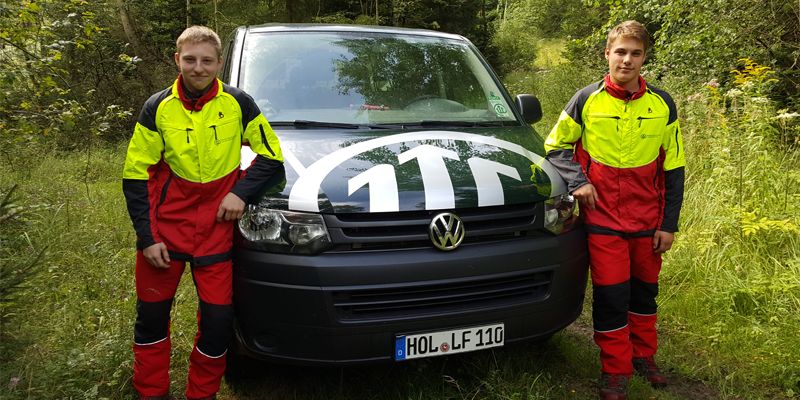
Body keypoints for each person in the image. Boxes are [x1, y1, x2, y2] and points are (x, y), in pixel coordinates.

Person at [122, 25, 284, 400]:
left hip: (216, 232)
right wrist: (147, 237)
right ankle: (151, 393)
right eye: (190, 60)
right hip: (165, 233)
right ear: (177, 59)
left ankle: (202, 394)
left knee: (216, 323)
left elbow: (272, 158)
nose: (198, 68)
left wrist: (240, 193)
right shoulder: (156, 106)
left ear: (219, 63)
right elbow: (135, 175)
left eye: (206, 60)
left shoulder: (238, 103)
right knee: (152, 319)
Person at [544, 20, 685, 400]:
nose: (627, 59)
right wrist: (578, 182)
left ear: (644, 57)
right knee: (611, 296)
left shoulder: (663, 103)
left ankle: (644, 357)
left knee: (644, 294)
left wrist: (668, 225)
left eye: (635, 53)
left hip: (648, 221)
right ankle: (615, 370)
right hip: (603, 219)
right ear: (607, 53)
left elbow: (674, 168)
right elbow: (555, 146)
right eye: (620, 51)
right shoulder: (586, 98)